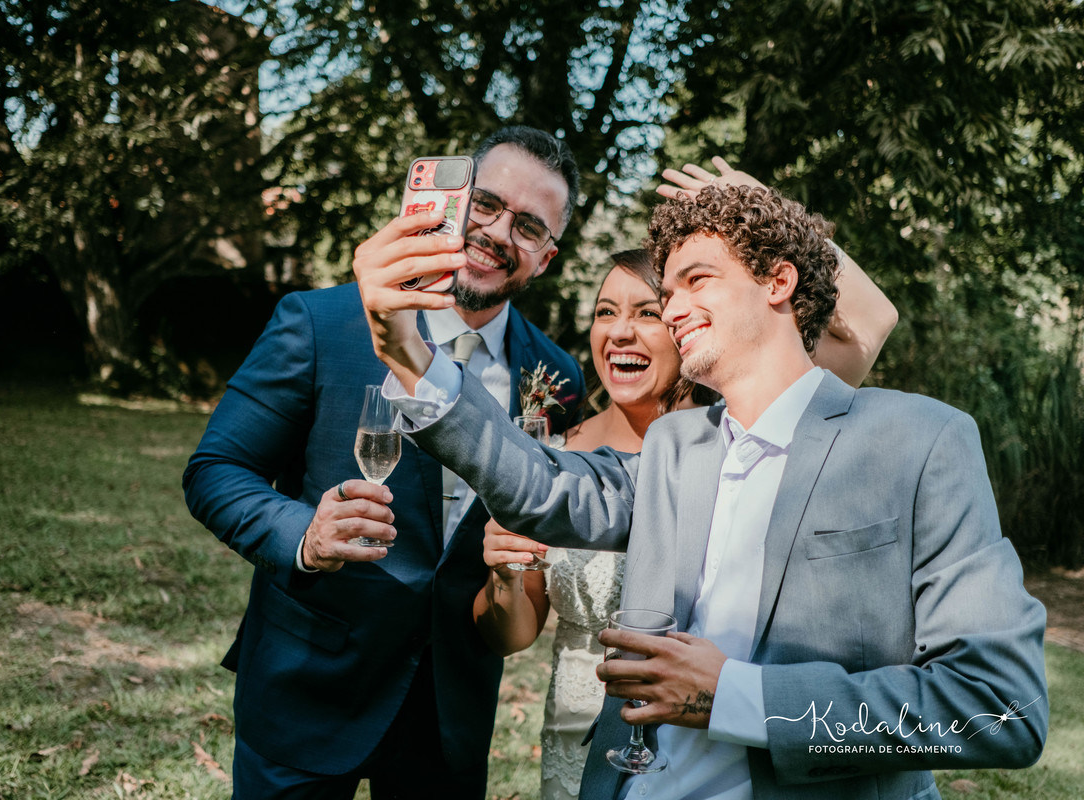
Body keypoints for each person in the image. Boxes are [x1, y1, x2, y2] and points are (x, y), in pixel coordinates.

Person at [354, 183, 1048, 800]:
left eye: (696, 280)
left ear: (778, 282)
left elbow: (999, 709)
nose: (673, 306)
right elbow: (538, 483)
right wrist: (404, 348)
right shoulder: (674, 448)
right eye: (670, 290)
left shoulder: (919, 441)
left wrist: (738, 698)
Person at [182, 125, 586, 799]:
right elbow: (216, 469)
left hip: (449, 708)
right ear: (453, 203)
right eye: (484, 204)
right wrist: (305, 535)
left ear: (545, 257)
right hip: (307, 684)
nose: (495, 232)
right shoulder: (318, 321)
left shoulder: (557, 375)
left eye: (527, 225)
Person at [475, 178, 897, 800]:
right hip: (574, 744)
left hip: (705, 739)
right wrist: (504, 575)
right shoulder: (556, 456)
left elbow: (872, 319)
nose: (620, 332)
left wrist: (764, 215)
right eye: (604, 313)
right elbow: (511, 635)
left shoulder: (750, 433)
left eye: (647, 312)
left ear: (686, 322)